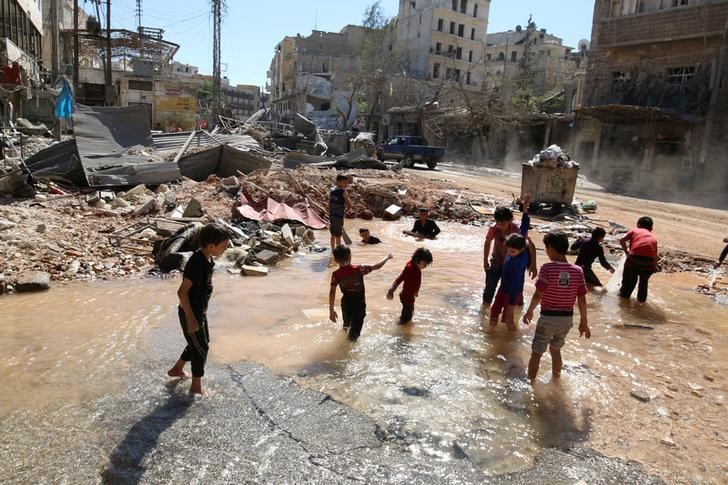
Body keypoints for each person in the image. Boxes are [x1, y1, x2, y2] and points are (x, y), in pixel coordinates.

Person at [166, 223, 231, 395]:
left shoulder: (208, 259)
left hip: (199, 312)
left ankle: (177, 369)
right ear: (211, 245)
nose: (225, 249)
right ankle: (196, 388)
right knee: (200, 349)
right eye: (223, 246)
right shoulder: (196, 263)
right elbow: (182, 292)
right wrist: (191, 318)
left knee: (200, 343)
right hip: (191, 313)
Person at [523, 231, 590, 382]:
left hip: (548, 318)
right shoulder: (578, 271)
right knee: (556, 350)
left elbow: (538, 295)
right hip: (566, 320)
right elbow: (582, 300)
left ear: (551, 248)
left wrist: (529, 311)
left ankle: (530, 383)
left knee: (536, 353)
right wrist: (584, 322)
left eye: (546, 249)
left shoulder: (547, 268)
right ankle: (556, 381)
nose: (547, 253)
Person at [329, 245, 393, 341]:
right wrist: (387, 257)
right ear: (350, 257)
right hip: (359, 304)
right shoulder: (359, 269)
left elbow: (332, 291)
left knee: (346, 326)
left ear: (335, 260)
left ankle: (343, 344)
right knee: (354, 335)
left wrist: (331, 310)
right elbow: (377, 266)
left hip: (346, 303)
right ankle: (348, 351)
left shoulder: (336, 274)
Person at [488, 195, 532, 332]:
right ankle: (490, 334)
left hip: (512, 293)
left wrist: (512, 304)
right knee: (493, 312)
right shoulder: (518, 241)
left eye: (512, 251)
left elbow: (516, 283)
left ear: (522, 249)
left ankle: (513, 343)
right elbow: (525, 226)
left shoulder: (519, 261)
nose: (509, 253)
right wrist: (525, 208)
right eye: (508, 250)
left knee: (508, 320)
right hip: (503, 289)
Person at [482, 204, 537, 307]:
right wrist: (485, 261)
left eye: (503, 223)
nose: (500, 226)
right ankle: (485, 309)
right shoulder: (493, 229)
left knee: (516, 290)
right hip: (496, 261)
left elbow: (531, 246)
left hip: (513, 264)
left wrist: (533, 265)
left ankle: (518, 309)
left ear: (510, 220)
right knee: (489, 288)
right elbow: (488, 242)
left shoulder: (517, 230)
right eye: (498, 222)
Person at [387, 247, 433, 325]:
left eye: (427, 264)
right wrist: (391, 290)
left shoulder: (416, 266)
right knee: (406, 317)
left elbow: (416, 282)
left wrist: (416, 291)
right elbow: (399, 278)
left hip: (410, 295)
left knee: (409, 312)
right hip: (406, 296)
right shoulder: (409, 267)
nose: (425, 266)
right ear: (417, 259)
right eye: (424, 264)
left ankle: (402, 325)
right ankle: (401, 330)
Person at [619, 216, 658, 303]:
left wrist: (626, 252)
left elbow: (621, 240)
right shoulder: (653, 238)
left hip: (634, 260)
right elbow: (655, 256)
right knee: (643, 284)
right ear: (651, 228)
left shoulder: (635, 230)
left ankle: (623, 302)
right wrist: (654, 266)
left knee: (628, 283)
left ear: (638, 225)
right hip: (648, 263)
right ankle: (641, 304)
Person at [329, 174, 351, 250]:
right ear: (338, 182)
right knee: (338, 236)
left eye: (347, 183)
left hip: (332, 216)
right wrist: (345, 211)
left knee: (333, 235)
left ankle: (332, 251)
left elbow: (330, 203)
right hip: (338, 217)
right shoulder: (343, 191)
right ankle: (339, 253)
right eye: (344, 182)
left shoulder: (332, 190)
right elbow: (349, 205)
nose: (346, 184)